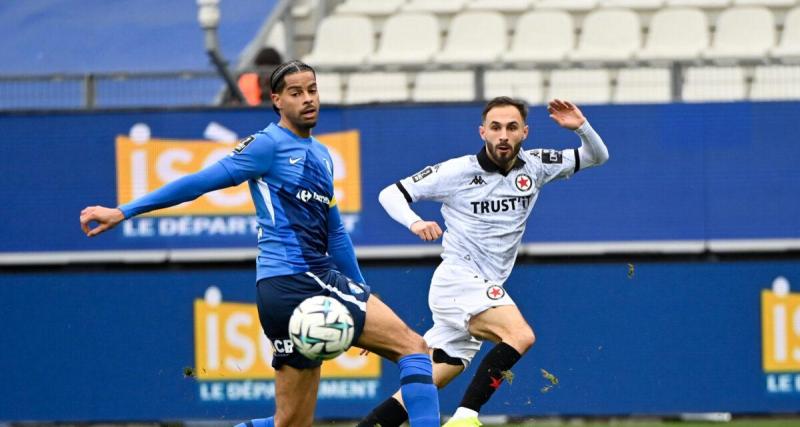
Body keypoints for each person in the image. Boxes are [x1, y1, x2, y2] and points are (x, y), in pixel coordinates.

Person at [79, 60, 440, 427]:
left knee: (290, 422)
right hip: (302, 280)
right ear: (277, 100)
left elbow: (335, 232)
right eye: (296, 93)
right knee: (414, 348)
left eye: (312, 90)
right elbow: (199, 182)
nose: (307, 99)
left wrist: (361, 293)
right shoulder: (267, 145)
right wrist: (124, 211)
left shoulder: (323, 155)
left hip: (283, 290)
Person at [357, 97, 609, 427]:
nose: (503, 135)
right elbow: (390, 193)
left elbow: (596, 156)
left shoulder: (536, 166)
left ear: (524, 133)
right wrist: (415, 222)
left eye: (511, 127)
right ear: (482, 132)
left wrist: (581, 128)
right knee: (520, 335)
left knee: (427, 383)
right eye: (495, 127)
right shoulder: (457, 171)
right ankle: (466, 418)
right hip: (459, 279)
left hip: (483, 288)